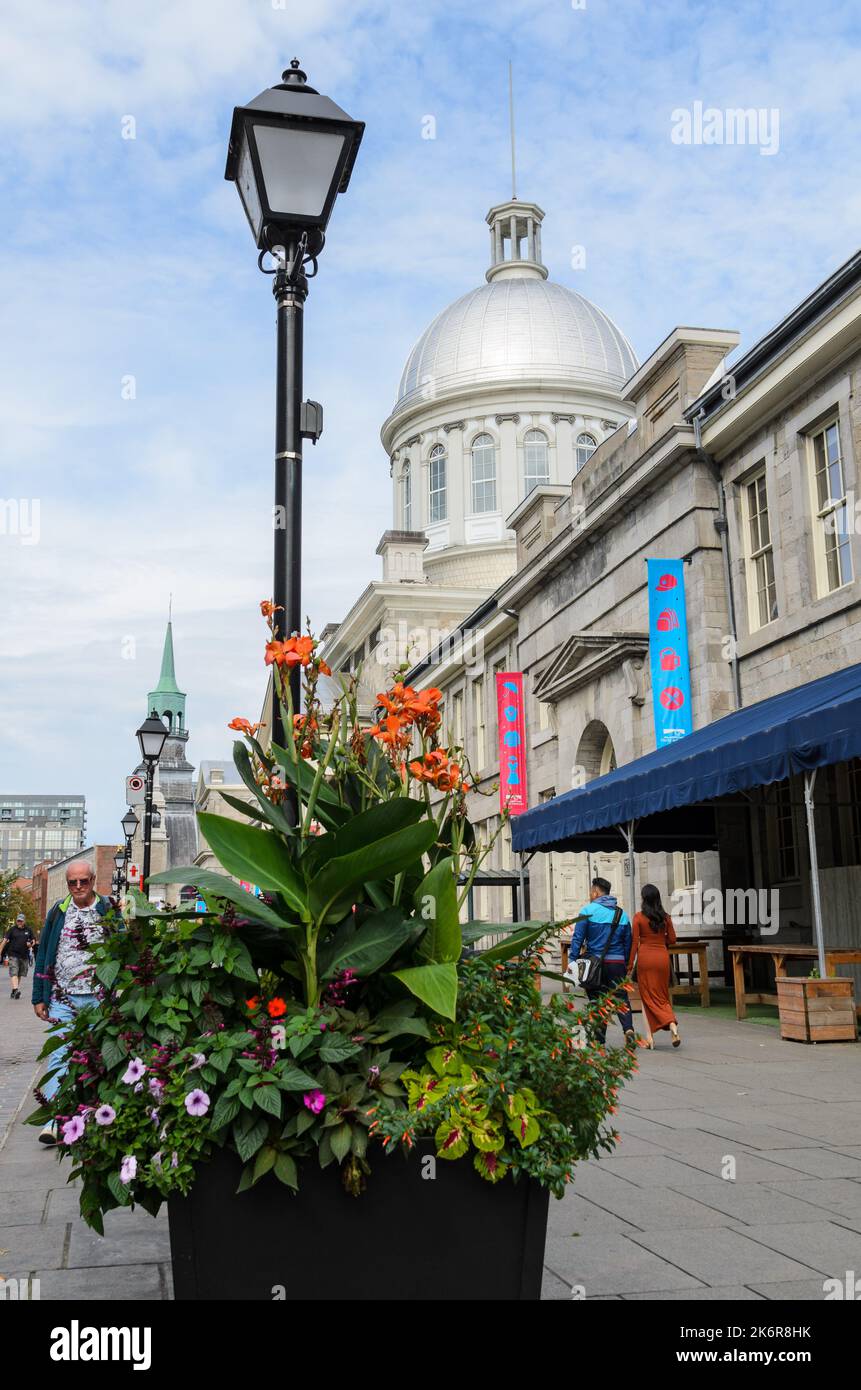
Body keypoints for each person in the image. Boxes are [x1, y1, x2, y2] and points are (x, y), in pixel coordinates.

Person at [31, 861, 112, 1145]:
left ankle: (96, 1117)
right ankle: (54, 1121)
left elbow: (123, 948)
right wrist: (39, 997)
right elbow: (43, 956)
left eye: (83, 881)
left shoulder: (107, 909)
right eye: (72, 883)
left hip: (98, 998)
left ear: (92, 880)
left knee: (98, 1057)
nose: (78, 887)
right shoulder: (58, 911)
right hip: (62, 998)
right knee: (58, 1058)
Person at [570, 876, 635, 1047]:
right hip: (617, 963)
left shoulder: (587, 911)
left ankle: (599, 1039)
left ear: (596, 892)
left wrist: (573, 960)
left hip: (594, 965)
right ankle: (628, 1029)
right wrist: (626, 962)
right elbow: (628, 941)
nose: (590, 894)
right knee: (621, 997)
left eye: (591, 892)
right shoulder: (622, 914)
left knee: (597, 1000)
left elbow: (578, 938)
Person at [629, 882, 680, 1049]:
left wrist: (629, 966)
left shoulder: (638, 917)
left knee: (646, 998)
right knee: (662, 996)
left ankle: (650, 1038)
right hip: (662, 959)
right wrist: (659, 941)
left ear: (644, 899)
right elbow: (672, 939)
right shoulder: (665, 917)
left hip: (645, 959)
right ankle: (672, 1025)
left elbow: (634, 943)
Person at [1, 912, 36, 999]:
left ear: (24, 921)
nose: (19, 922)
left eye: (21, 921)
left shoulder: (29, 930)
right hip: (13, 954)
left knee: (19, 974)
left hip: (24, 955)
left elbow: (34, 940)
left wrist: (30, 944)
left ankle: (14, 990)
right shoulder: (12, 930)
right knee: (14, 971)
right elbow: (4, 941)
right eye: (18, 921)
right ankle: (16, 990)